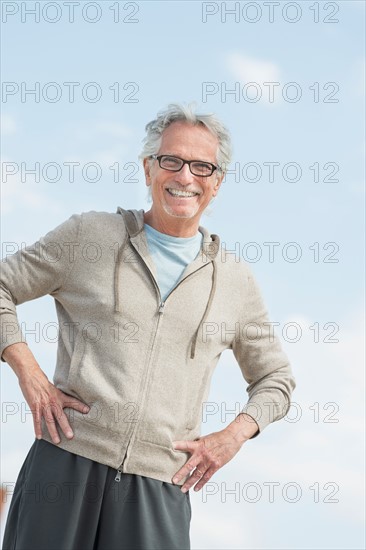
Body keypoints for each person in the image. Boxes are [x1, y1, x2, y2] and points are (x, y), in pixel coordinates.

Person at [0, 103, 296, 550]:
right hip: (63, 464)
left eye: (202, 167)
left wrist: (232, 436)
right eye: (171, 161)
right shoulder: (88, 236)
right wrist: (30, 374)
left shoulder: (236, 282)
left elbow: (276, 380)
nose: (185, 177)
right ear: (147, 168)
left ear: (216, 183)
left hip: (160, 485)